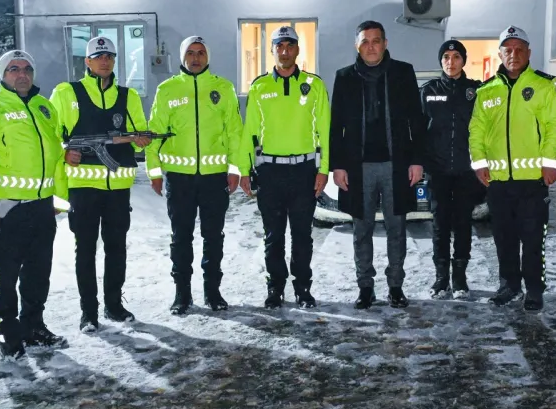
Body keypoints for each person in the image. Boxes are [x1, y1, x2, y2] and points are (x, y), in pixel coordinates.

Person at [0, 49, 70, 359]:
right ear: (3, 75)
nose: (22, 74)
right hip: (8, 207)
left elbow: (57, 156)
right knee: (5, 276)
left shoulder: (44, 107)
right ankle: (8, 333)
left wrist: (59, 199)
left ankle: (33, 326)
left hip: (42, 207)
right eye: (14, 69)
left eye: (27, 68)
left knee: (38, 273)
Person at [50, 36, 150, 329]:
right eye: (99, 56)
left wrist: (142, 140)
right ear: (87, 61)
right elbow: (51, 134)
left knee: (116, 248)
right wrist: (65, 152)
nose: (105, 61)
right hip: (83, 189)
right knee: (85, 250)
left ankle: (114, 305)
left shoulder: (128, 96)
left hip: (117, 189)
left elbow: (139, 134)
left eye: (109, 56)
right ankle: (89, 312)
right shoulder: (67, 92)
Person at [330, 21, 426, 309]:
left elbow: (416, 120)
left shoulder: (403, 73)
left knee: (397, 228)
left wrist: (417, 160)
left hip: (396, 165)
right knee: (362, 230)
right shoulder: (344, 77)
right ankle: (365, 287)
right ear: (356, 45)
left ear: (385, 43)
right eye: (365, 41)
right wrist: (338, 165)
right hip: (358, 167)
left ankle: (395, 286)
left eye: (376, 41)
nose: (370, 47)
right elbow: (336, 125)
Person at [146, 36, 245, 315]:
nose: (196, 58)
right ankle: (182, 294)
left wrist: (235, 169)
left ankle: (213, 292)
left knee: (213, 237)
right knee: (181, 237)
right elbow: (155, 133)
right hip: (180, 179)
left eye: (201, 52)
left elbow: (234, 132)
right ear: (182, 57)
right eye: (190, 53)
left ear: (207, 56)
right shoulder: (167, 89)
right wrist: (154, 171)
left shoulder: (223, 88)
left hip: (214, 178)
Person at [469, 26, 556, 311]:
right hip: (498, 181)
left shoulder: (544, 86)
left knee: (533, 239)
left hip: (533, 180)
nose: (514, 54)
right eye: (508, 50)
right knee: (504, 238)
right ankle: (508, 285)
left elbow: (553, 128)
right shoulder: (486, 90)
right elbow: (476, 130)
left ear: (529, 53)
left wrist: (550, 164)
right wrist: (479, 163)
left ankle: (534, 289)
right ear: (500, 54)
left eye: (519, 49)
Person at [241, 25, 331, 309]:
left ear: (297, 49)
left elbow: (325, 131)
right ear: (272, 51)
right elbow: (250, 131)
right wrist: (244, 169)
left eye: (289, 45)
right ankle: (275, 288)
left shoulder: (314, 85)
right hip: (270, 172)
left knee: (302, 235)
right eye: (279, 46)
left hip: (304, 172)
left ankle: (303, 288)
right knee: (273, 236)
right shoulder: (259, 86)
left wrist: (323, 169)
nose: (284, 51)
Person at [420, 39, 482, 299]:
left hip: (467, 171)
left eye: (456, 57)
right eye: (446, 57)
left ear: (463, 61)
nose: (451, 62)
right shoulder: (428, 91)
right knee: (440, 224)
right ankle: (441, 278)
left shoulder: (475, 90)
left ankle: (459, 278)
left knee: (463, 223)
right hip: (438, 171)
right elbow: (418, 130)